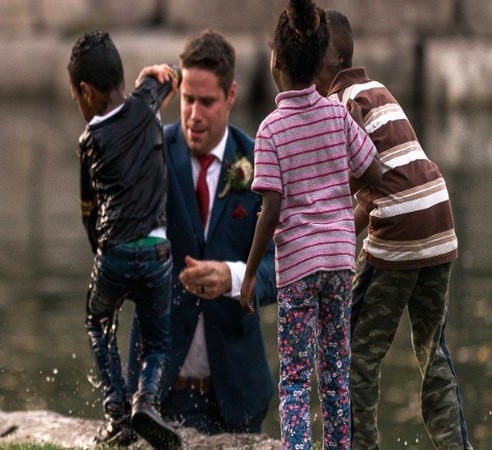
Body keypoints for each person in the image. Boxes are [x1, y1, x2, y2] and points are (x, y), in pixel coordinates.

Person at [314, 10, 474, 450]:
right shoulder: (377, 91)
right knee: (432, 351)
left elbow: (347, 192)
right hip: (440, 217)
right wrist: (348, 233)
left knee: (353, 355)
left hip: (401, 224)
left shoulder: (333, 109)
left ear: (315, 64)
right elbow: (379, 183)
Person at [239, 1, 383, 449]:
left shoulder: (270, 130)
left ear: (275, 60)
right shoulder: (338, 116)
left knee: (297, 377)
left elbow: (272, 210)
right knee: (336, 369)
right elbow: (376, 174)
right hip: (340, 261)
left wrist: (249, 273)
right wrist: (356, 132)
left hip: (298, 267)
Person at [127, 29, 278, 435]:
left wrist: (233, 277)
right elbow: (110, 184)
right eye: (187, 100)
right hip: (155, 393)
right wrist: (138, 112)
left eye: (207, 102)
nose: (193, 114)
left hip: (236, 394)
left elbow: (284, 266)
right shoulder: (151, 148)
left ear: (231, 95)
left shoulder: (259, 162)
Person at [67, 30, 182, 449]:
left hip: (114, 251)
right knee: (157, 341)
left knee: (98, 320)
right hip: (158, 252)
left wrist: (100, 254)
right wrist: (158, 75)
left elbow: (87, 211)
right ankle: (146, 402)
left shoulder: (89, 141)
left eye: (75, 97)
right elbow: (174, 75)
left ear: (85, 91)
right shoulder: (146, 102)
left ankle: (117, 409)